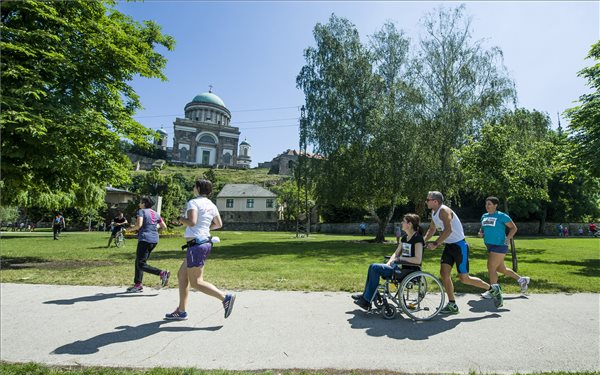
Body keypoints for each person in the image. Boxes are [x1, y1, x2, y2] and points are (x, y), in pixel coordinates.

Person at [165, 179, 236, 320]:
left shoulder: (193, 202)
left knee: (197, 282)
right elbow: (218, 224)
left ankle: (225, 298)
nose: (193, 188)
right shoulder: (211, 204)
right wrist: (204, 229)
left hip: (197, 245)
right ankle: (181, 310)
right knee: (182, 275)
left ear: (197, 188)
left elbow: (192, 222)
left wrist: (180, 219)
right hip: (202, 243)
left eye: (194, 186)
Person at [424, 191, 501, 314]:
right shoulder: (433, 213)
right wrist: (422, 240)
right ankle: (452, 304)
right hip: (449, 246)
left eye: (428, 200)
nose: (426, 202)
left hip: (460, 246)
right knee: (444, 273)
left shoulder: (444, 211)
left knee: (464, 279)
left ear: (435, 201)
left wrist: (435, 243)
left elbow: (448, 230)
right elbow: (432, 229)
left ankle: (492, 288)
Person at [352, 213, 425, 311]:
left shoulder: (418, 238)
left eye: (403, 221)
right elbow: (396, 253)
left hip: (410, 272)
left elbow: (418, 259)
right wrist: (389, 263)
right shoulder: (404, 238)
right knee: (372, 266)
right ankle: (366, 296)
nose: (401, 223)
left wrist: (401, 259)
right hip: (399, 268)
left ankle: (367, 299)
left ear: (410, 224)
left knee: (374, 267)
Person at [478, 196, 530, 298]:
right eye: (486, 204)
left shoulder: (502, 216)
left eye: (489, 204)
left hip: (500, 245)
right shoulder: (484, 216)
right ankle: (522, 280)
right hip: (489, 245)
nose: (487, 206)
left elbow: (513, 228)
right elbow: (482, 228)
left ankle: (493, 291)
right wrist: (481, 233)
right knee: (502, 269)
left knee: (491, 267)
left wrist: (508, 238)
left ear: (495, 205)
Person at [126, 196, 170, 293]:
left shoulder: (141, 212)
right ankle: (138, 285)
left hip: (145, 239)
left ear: (144, 204)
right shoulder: (155, 214)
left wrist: (129, 229)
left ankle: (162, 273)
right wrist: (154, 230)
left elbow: (139, 225)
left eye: (140, 202)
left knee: (141, 264)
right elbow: (164, 226)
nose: (139, 204)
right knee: (139, 261)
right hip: (154, 240)